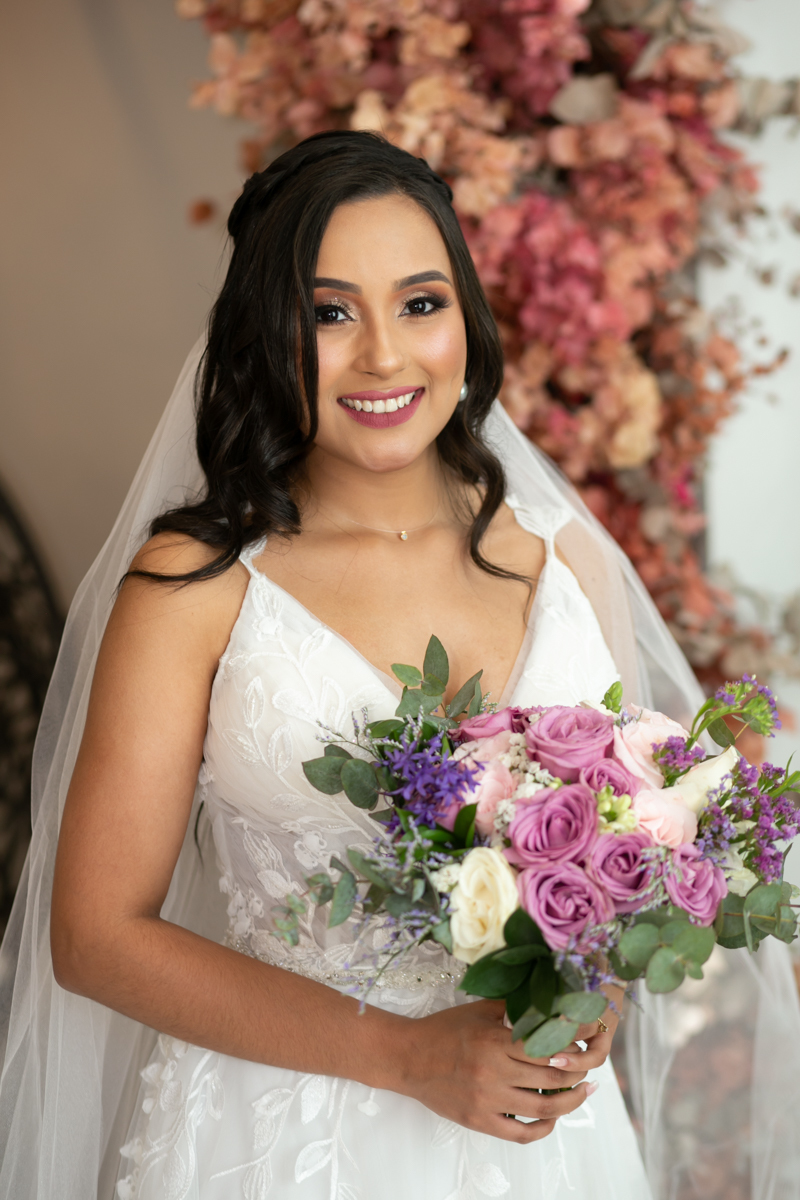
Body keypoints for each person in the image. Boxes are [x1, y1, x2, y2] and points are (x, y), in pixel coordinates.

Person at [0, 131, 798, 1200]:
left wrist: (590, 991)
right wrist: (405, 1056)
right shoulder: (196, 584)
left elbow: (626, 854)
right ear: (265, 334)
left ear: (466, 321)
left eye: (420, 303)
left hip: (541, 1141)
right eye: (330, 314)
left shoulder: (562, 559)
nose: (382, 356)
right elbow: (95, 938)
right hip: (278, 1141)